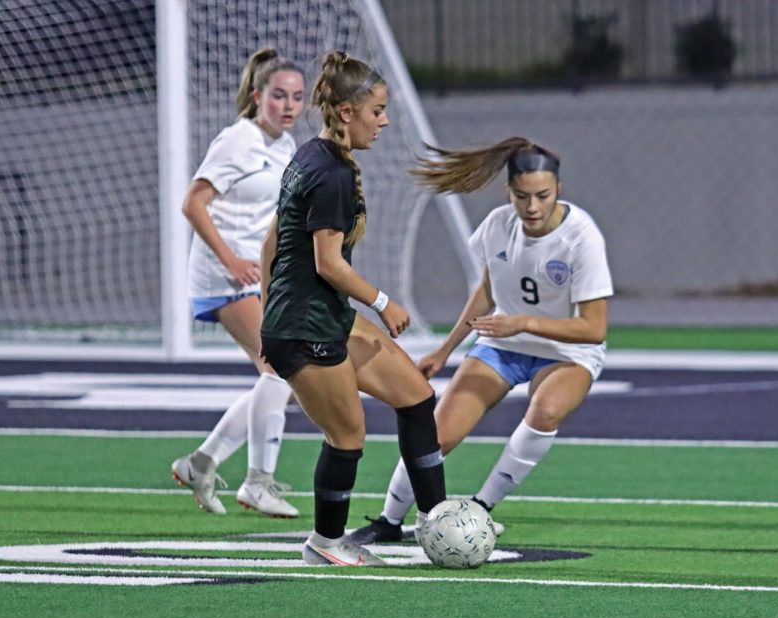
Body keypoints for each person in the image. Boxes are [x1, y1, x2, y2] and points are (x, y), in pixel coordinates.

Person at [348, 137, 614, 545]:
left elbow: (594, 328)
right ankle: (389, 520)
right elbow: (487, 290)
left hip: (567, 352)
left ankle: (480, 510)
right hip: (503, 343)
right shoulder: (496, 225)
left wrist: (522, 322)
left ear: (558, 189)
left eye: (542, 196)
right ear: (509, 191)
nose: (532, 207)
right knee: (437, 435)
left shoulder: (582, 237)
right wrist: (445, 349)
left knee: (546, 410)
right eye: (522, 196)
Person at [259, 51, 447, 566]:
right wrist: (384, 302)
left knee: (416, 396)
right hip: (306, 326)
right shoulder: (331, 174)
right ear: (346, 112)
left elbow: (272, 239)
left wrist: (263, 312)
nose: (384, 121)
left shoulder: (312, 155)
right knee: (347, 436)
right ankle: (324, 543)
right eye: (378, 111)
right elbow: (327, 263)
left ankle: (435, 521)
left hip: (319, 317)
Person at [170, 48, 304, 518]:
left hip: (256, 275)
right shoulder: (237, 141)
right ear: (257, 96)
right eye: (278, 96)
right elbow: (192, 203)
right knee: (281, 369)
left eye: (297, 98)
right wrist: (230, 260)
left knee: (280, 378)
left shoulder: (285, 147)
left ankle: (201, 463)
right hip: (224, 276)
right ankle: (257, 483)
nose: (288, 106)